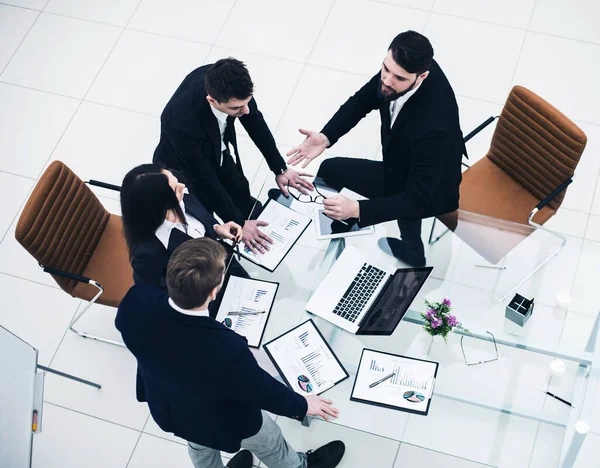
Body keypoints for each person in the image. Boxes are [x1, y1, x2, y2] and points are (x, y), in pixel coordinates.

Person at [116, 237, 346, 468]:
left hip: (171, 407)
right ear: (214, 292)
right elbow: (261, 390)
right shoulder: (224, 348)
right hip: (223, 418)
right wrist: (302, 405)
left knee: (199, 447)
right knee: (270, 439)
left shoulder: (136, 301)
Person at [287, 31, 466, 267]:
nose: (387, 81)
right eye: (385, 69)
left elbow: (416, 200)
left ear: (422, 76)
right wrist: (326, 136)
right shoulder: (400, 69)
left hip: (430, 190)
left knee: (404, 207)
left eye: (399, 78)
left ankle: (411, 253)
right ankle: (337, 217)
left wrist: (357, 209)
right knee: (331, 168)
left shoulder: (434, 128)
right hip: (401, 166)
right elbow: (362, 101)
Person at [153, 58, 313, 254]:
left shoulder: (230, 84)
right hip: (185, 170)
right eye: (237, 108)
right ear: (212, 101)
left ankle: (255, 225)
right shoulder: (182, 120)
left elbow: (254, 120)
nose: (245, 110)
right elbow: (205, 178)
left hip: (217, 150)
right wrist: (239, 223)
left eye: (247, 102)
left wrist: (279, 169)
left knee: (239, 191)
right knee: (206, 217)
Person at [120, 163, 247, 314]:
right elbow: (156, 295)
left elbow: (202, 218)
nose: (182, 185)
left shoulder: (179, 191)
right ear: (159, 204)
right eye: (176, 189)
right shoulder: (148, 253)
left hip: (226, 265)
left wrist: (216, 228)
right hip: (206, 297)